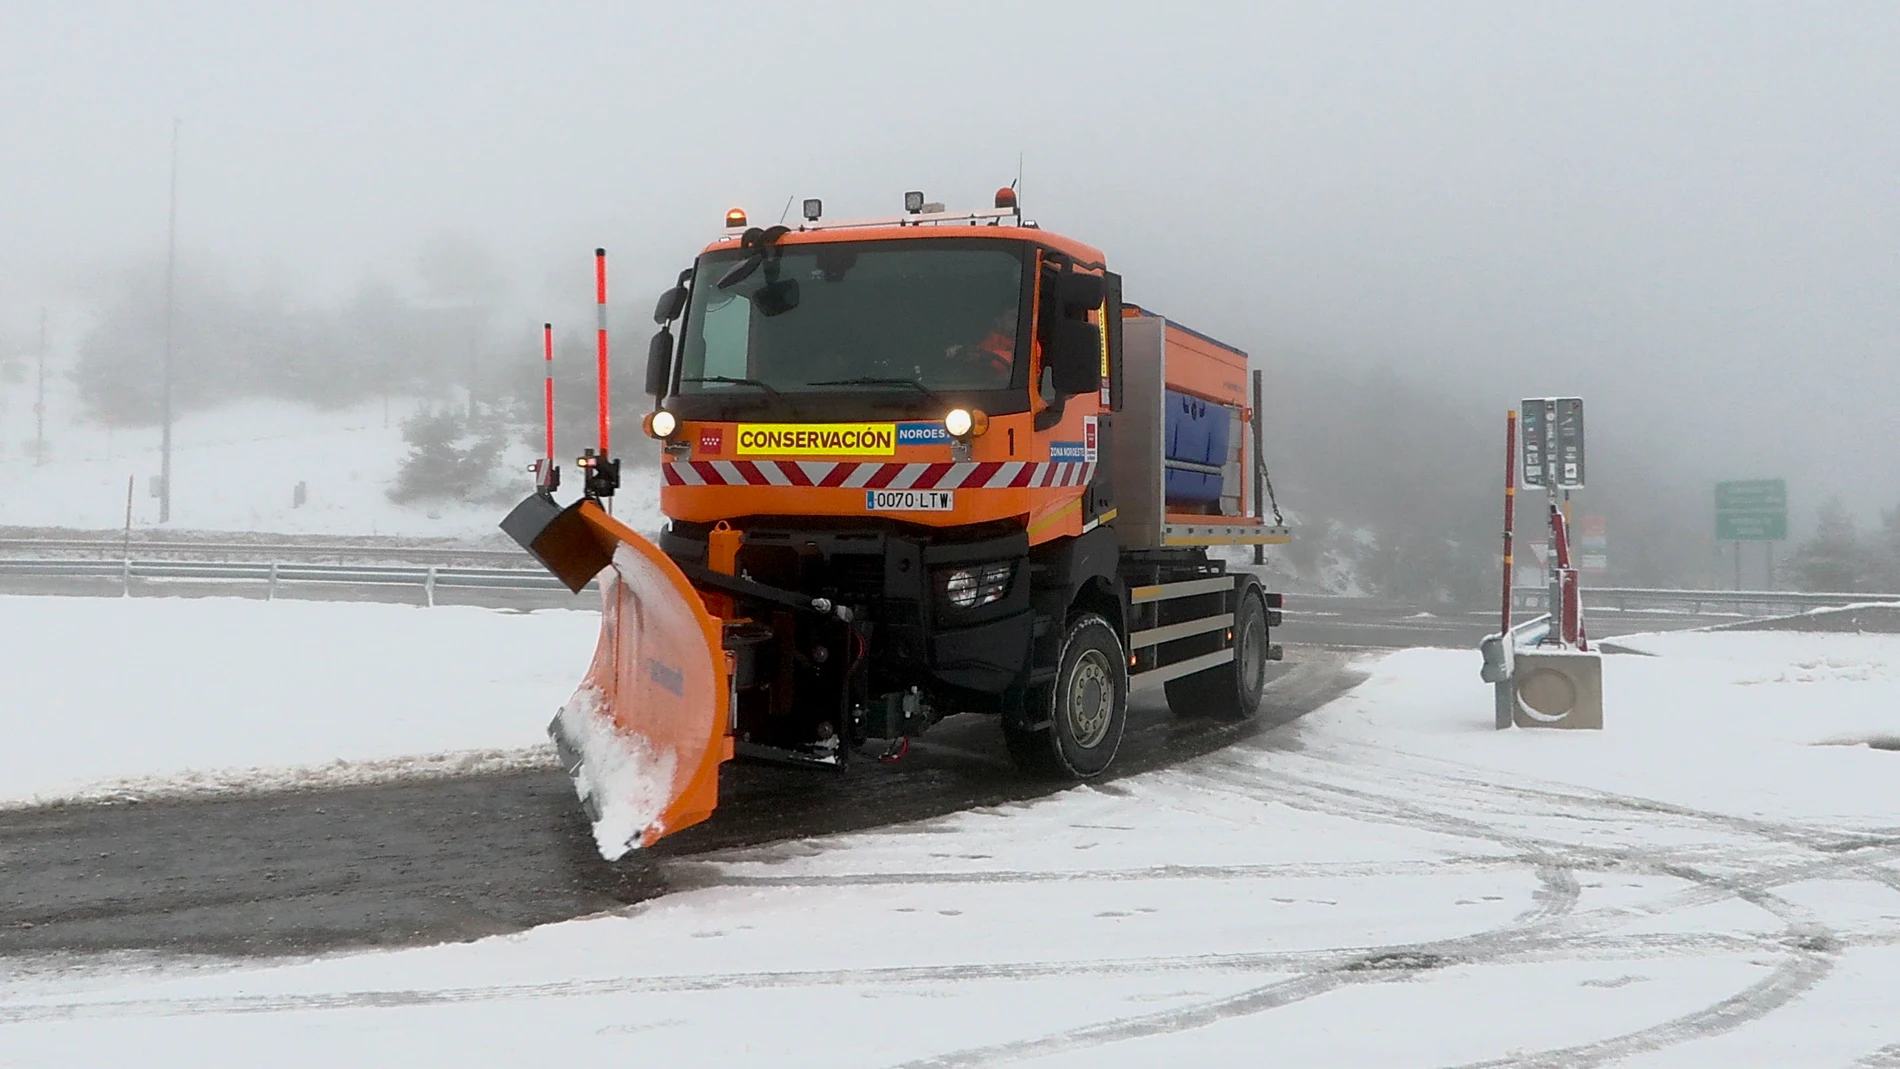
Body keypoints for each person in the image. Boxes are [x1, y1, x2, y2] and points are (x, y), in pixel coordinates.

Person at [945, 308, 1016, 384]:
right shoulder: (981, 346)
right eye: (1013, 317)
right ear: (998, 321)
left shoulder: (1025, 344)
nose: (1016, 322)